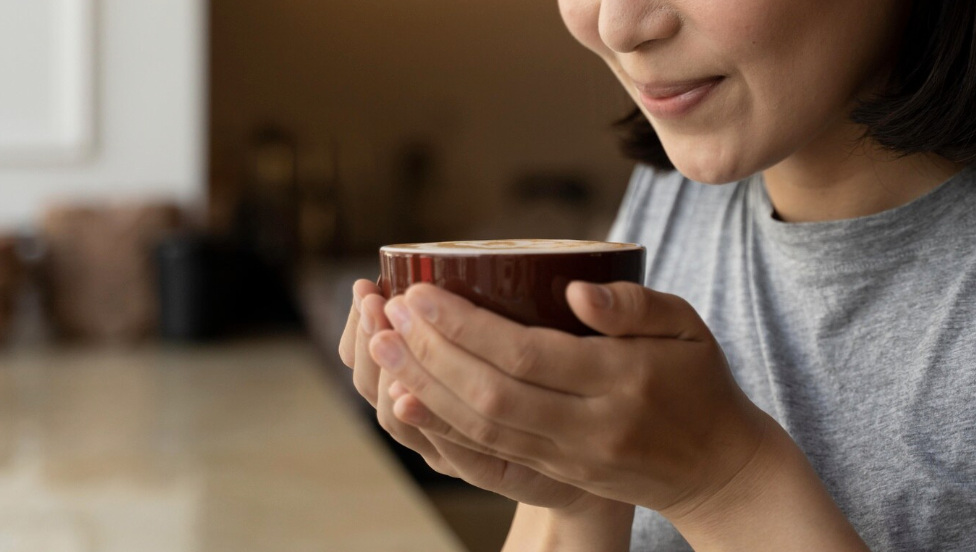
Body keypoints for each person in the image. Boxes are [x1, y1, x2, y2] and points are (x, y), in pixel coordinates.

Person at [339, 1, 976, 550]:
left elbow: (715, 484)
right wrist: (578, 488)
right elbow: (584, 505)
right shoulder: (679, 189)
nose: (617, 25)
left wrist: (725, 483)